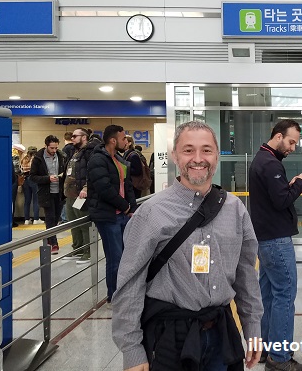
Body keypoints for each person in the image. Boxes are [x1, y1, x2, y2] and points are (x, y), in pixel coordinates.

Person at [112, 120, 263, 371]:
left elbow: (246, 275)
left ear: (216, 155)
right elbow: (130, 284)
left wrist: (253, 327)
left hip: (222, 334)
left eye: (206, 150)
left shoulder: (235, 209)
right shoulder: (151, 212)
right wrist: (132, 351)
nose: (198, 158)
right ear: (175, 155)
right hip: (169, 338)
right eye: (188, 150)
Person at [249, 119, 302, 371]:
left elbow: (273, 195)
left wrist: (289, 185)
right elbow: (281, 201)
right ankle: (280, 356)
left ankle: (267, 347)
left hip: (264, 237)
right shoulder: (270, 163)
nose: (293, 148)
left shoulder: (262, 159)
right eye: (291, 142)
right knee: (285, 294)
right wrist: (301, 183)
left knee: (268, 294)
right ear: (278, 136)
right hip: (276, 239)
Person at [87, 124, 137, 305]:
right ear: (113, 140)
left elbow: (127, 186)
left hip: (122, 215)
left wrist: (132, 208)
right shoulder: (97, 160)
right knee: (115, 258)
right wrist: (125, 206)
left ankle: (123, 292)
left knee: (125, 257)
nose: (126, 142)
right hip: (108, 217)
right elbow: (104, 189)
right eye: (123, 139)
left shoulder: (118, 159)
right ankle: (114, 296)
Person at [63, 128, 96, 264]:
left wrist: (87, 187)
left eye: (74, 136)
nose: (72, 138)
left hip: (80, 195)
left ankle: (88, 251)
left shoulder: (89, 152)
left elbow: (92, 171)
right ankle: (78, 248)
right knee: (73, 223)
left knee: (84, 224)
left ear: (84, 137)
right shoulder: (75, 152)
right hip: (70, 194)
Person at [29, 135, 66, 254]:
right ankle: (54, 243)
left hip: (59, 192)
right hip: (46, 193)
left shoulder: (61, 156)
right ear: (46, 146)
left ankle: (49, 238)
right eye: (52, 148)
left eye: (56, 148)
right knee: (50, 218)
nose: (54, 150)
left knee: (56, 218)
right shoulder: (38, 158)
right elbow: (32, 177)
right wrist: (47, 179)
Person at [20, 146, 43, 225]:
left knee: (27, 200)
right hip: (34, 180)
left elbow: (20, 169)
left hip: (25, 180)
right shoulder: (36, 159)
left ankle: (26, 219)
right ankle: (36, 219)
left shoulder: (24, 159)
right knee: (36, 200)